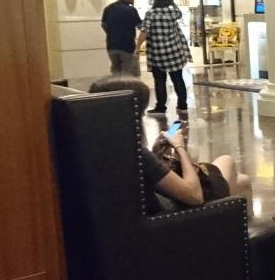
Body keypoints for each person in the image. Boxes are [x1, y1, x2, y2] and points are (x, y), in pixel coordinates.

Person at [88, 76, 251, 211]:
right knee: (227, 161)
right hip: (177, 214)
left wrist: (155, 154)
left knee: (242, 181)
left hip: (151, 211)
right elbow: (195, 196)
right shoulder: (135, 153)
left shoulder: (96, 148)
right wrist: (180, 147)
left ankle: (242, 232)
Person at [136, 0, 191, 115]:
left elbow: (144, 31)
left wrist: (137, 47)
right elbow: (179, 13)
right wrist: (173, 2)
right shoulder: (173, 12)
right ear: (169, 0)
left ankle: (161, 107)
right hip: (174, 52)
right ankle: (182, 105)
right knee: (178, 79)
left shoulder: (151, 13)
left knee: (160, 81)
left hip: (157, 53)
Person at [101, 0, 142, 75]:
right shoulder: (131, 10)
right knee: (130, 76)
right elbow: (141, 26)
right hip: (127, 48)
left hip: (112, 47)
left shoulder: (108, 8)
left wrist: (112, 34)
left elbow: (104, 25)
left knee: (116, 74)